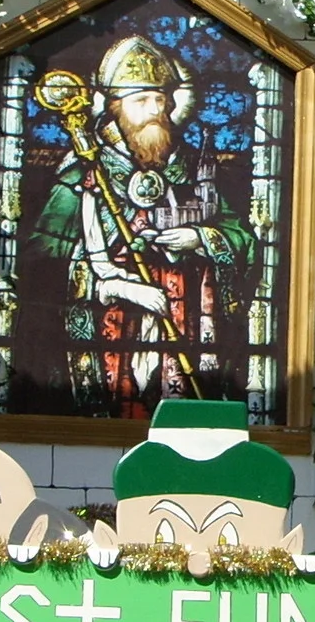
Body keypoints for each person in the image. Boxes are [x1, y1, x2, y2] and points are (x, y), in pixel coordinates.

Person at [28, 35, 260, 414]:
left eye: (161, 99)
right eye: (141, 100)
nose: (155, 109)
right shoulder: (85, 170)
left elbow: (243, 239)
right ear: (115, 107)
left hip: (185, 325)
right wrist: (109, 284)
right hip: (110, 331)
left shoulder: (194, 163)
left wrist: (201, 238)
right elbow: (41, 260)